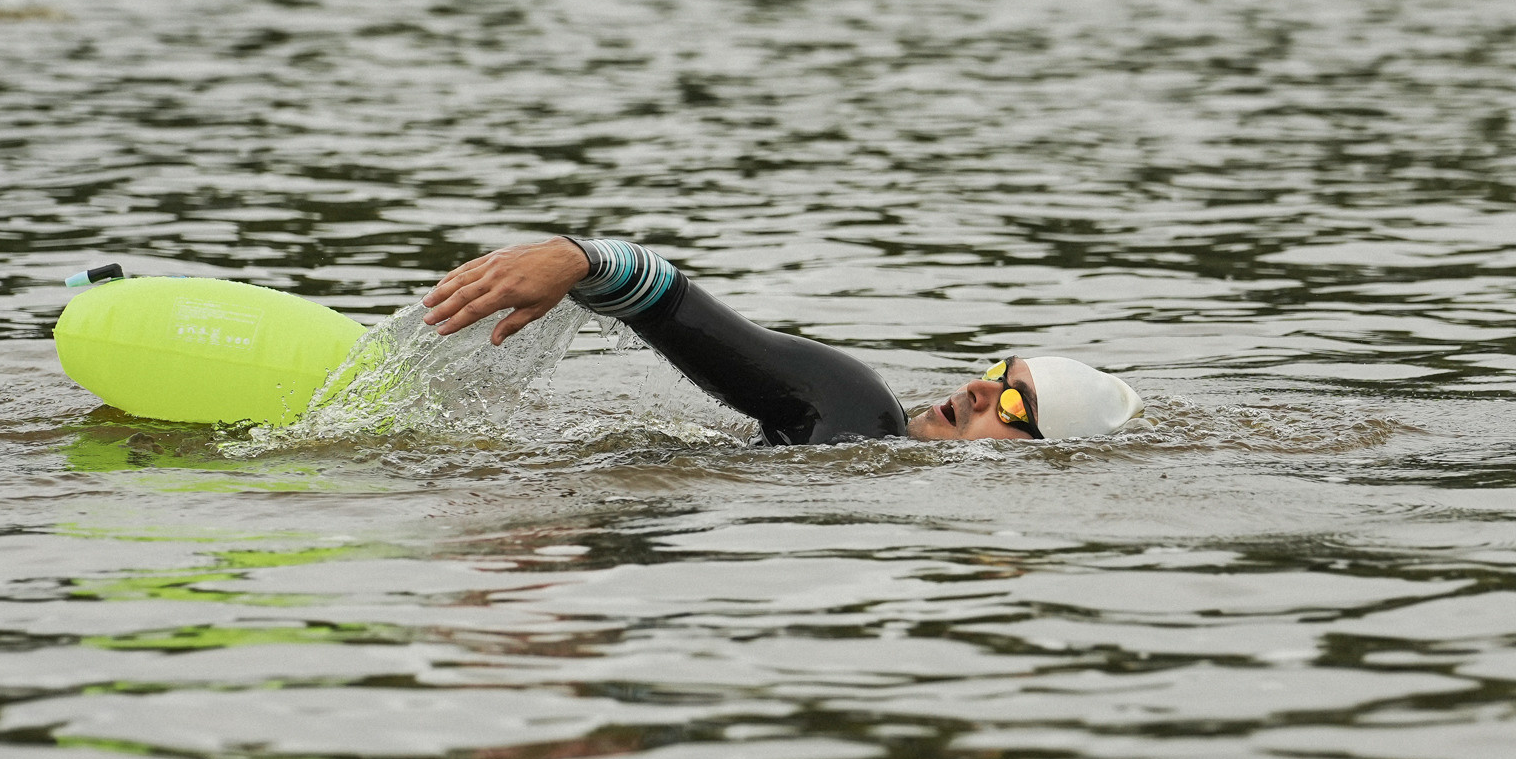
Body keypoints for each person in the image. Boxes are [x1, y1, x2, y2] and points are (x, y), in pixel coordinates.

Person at [422, 236, 1143, 446]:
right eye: (997, 371)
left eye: (1013, 407)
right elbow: (735, 344)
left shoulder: (865, 429)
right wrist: (583, 261)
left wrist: (587, 261)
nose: (980, 387)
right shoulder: (864, 412)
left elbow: (708, 333)